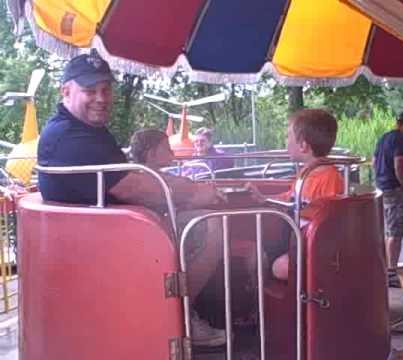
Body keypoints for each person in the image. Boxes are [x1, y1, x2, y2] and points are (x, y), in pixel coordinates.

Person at [37, 53, 226, 347]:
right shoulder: (69, 137)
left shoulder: (85, 131)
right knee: (209, 225)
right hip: (103, 244)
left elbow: (128, 180)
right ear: (66, 92)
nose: (101, 98)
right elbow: (133, 186)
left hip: (111, 234)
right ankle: (179, 318)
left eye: (105, 89)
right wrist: (193, 192)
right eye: (90, 91)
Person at [248, 108, 344, 280]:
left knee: (279, 268)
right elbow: (290, 197)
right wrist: (264, 198)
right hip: (294, 237)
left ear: (303, 146)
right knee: (254, 256)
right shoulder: (305, 173)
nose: (285, 141)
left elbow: (329, 221)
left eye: (288, 136)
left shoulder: (329, 177)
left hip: (311, 245)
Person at [373, 110, 403, 271]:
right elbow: (399, 164)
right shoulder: (401, 140)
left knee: (389, 229)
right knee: (395, 232)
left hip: (382, 187)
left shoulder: (384, 138)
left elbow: (374, 161)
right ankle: (391, 269)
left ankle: (388, 267)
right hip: (395, 189)